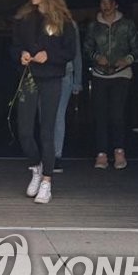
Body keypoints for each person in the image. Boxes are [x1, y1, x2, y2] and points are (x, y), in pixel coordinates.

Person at [13, 0, 77, 205]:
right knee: (24, 130)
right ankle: (36, 167)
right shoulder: (24, 17)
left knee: (47, 130)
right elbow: (15, 45)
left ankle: (47, 181)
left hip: (52, 78)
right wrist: (21, 54)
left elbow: (70, 51)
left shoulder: (63, 21)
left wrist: (49, 56)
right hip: (29, 77)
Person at [84, 0, 138, 170]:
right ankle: (101, 153)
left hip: (121, 74)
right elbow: (87, 47)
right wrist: (97, 57)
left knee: (117, 114)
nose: (106, 6)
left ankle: (119, 150)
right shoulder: (94, 26)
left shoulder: (127, 24)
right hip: (99, 74)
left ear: (116, 4)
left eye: (109, 2)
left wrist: (127, 60)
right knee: (100, 114)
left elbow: (137, 48)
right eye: (103, 2)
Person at [52, 21, 83, 173]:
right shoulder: (39, 19)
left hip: (64, 74)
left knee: (58, 115)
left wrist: (77, 81)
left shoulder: (69, 24)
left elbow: (76, 53)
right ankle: (49, 154)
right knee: (46, 115)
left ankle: (56, 155)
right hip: (44, 73)